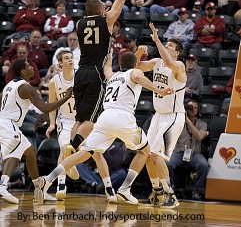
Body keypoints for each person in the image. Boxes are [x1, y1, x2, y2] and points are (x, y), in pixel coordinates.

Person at [34, 51, 172, 205]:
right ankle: (125, 189)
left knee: (85, 153)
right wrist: (159, 90)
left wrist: (110, 56)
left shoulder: (113, 75)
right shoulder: (135, 71)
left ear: (119, 65)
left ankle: (48, 179)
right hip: (122, 117)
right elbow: (138, 77)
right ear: (134, 65)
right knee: (145, 150)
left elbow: (106, 68)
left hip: (105, 118)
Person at [63, 0, 133, 203]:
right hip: (94, 72)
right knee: (91, 122)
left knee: (80, 118)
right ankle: (73, 147)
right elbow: (122, 0)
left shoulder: (80, 23)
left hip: (80, 72)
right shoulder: (106, 20)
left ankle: (69, 147)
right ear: (101, 10)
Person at [0, 59, 73, 204]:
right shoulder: (26, 88)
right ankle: (2, 187)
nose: (32, 67)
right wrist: (66, 97)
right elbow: (45, 109)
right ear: (23, 71)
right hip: (9, 124)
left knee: (29, 151)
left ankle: (39, 189)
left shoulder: (9, 85)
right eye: (28, 66)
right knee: (15, 154)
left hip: (5, 123)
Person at [135, 22, 187, 208]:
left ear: (177, 52)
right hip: (158, 115)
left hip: (173, 117)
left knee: (157, 155)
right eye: (166, 45)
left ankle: (171, 195)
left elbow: (170, 63)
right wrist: (139, 52)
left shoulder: (179, 66)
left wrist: (156, 40)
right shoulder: (156, 62)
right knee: (147, 154)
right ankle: (156, 192)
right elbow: (137, 67)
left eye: (170, 46)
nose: (166, 47)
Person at [45, 50, 78, 200]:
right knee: (64, 149)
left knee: (88, 152)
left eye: (71, 57)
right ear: (60, 63)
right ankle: (61, 187)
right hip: (64, 120)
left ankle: (71, 164)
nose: (70, 60)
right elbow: (52, 105)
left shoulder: (80, 76)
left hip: (80, 120)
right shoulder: (54, 82)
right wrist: (52, 124)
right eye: (67, 58)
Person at [167, 100, 209, 201]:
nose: (192, 110)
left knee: (203, 165)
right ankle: (169, 189)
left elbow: (199, 136)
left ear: (198, 110)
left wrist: (188, 122)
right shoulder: (178, 122)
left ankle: (197, 190)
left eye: (195, 108)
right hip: (178, 152)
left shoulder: (202, 124)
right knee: (168, 164)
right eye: (190, 107)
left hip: (194, 153)